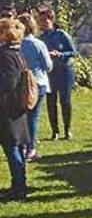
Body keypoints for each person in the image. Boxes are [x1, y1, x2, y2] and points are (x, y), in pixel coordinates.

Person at [0, 18, 31, 201]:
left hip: (7, 108)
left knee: (11, 147)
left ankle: (19, 187)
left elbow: (8, 82)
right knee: (15, 147)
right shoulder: (18, 53)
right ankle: (19, 184)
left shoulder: (5, 56)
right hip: (16, 106)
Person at [37, 6, 77, 140]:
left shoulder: (62, 35)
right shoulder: (41, 39)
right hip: (50, 72)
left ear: (51, 20)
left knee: (65, 101)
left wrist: (59, 54)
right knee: (51, 101)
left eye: (45, 20)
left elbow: (73, 52)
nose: (42, 23)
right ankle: (55, 131)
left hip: (65, 70)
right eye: (40, 21)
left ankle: (67, 129)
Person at [18, 13, 52, 161]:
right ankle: (30, 148)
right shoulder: (38, 44)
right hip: (38, 82)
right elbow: (48, 66)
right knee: (33, 117)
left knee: (21, 116)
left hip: (19, 83)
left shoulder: (15, 44)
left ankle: (22, 146)